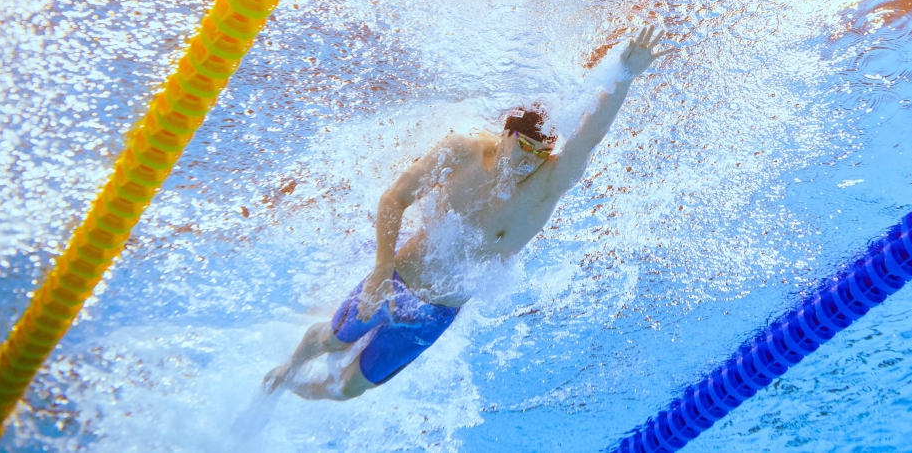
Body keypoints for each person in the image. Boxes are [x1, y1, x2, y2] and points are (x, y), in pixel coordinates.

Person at [263, 26, 672, 400]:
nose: (530, 160)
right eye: (524, 147)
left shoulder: (548, 185)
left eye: (541, 153)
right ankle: (288, 368)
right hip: (397, 281)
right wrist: (379, 271)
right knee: (333, 341)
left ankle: (290, 390)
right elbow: (395, 198)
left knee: (348, 390)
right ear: (506, 134)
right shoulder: (464, 152)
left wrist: (624, 76)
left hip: (435, 314)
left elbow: (589, 137)